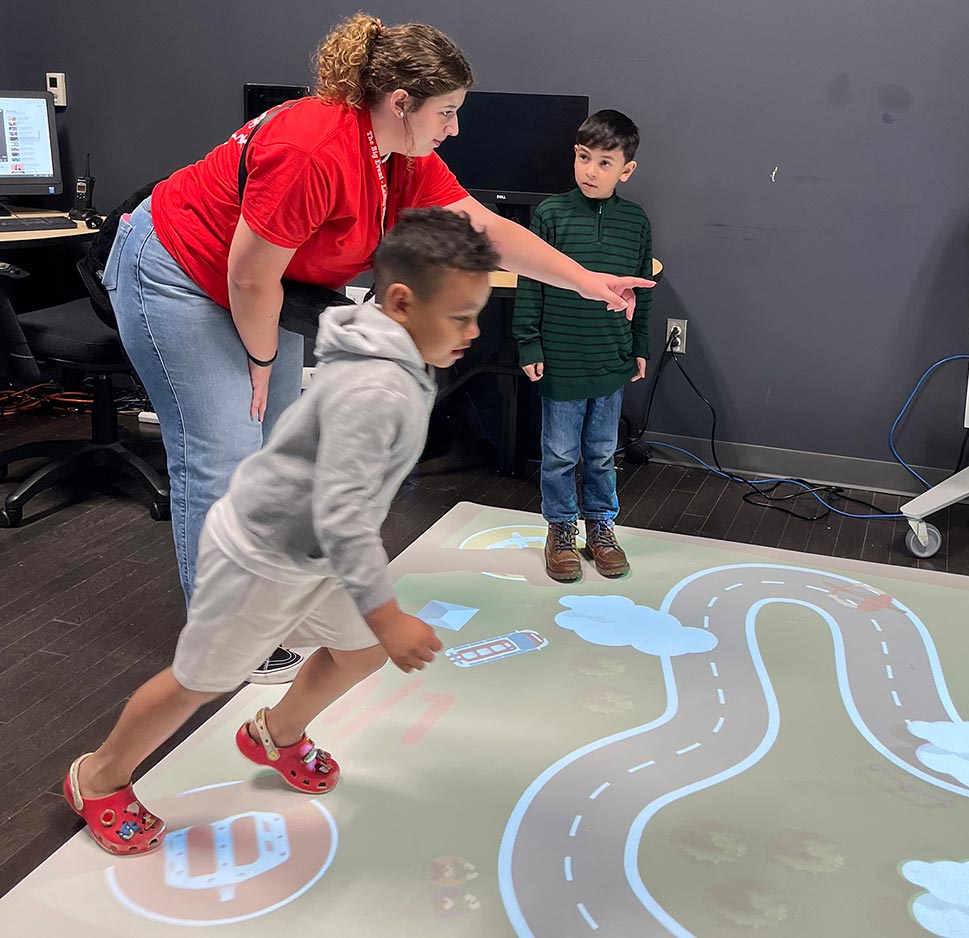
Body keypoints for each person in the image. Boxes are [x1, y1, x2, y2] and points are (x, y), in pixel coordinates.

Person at [103, 15, 653, 682]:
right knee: (221, 457)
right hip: (177, 273)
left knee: (277, 455)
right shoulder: (314, 148)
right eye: (446, 113)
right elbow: (248, 274)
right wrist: (263, 359)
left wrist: (587, 282)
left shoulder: (400, 155)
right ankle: (225, 639)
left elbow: (485, 229)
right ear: (399, 102)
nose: (453, 129)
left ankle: (270, 605)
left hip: (256, 287)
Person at [64, 208, 493, 856]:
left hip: (317, 556)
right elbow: (343, 514)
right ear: (401, 302)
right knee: (201, 681)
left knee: (357, 650)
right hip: (263, 555)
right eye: (461, 316)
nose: (473, 331)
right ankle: (97, 777)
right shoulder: (376, 387)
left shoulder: (393, 346)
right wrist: (389, 616)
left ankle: (277, 732)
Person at [513, 110, 653, 582]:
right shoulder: (551, 215)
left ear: (626, 170)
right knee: (559, 454)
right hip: (562, 359)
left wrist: (639, 345)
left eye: (604, 163)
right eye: (583, 158)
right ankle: (560, 529)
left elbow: (643, 291)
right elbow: (530, 282)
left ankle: (601, 528)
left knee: (600, 452)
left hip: (610, 359)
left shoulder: (635, 222)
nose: (590, 171)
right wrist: (529, 344)